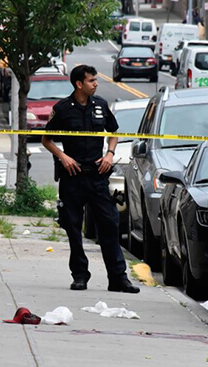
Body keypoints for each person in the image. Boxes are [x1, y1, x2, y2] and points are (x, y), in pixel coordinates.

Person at [41, 65, 139, 294]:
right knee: (73, 228)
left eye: (95, 80)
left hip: (97, 177)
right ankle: (80, 276)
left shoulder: (101, 105)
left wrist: (110, 154)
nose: (96, 83)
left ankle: (118, 278)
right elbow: (47, 140)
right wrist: (63, 157)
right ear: (79, 84)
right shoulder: (63, 109)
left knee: (110, 225)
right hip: (72, 177)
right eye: (92, 80)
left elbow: (114, 132)